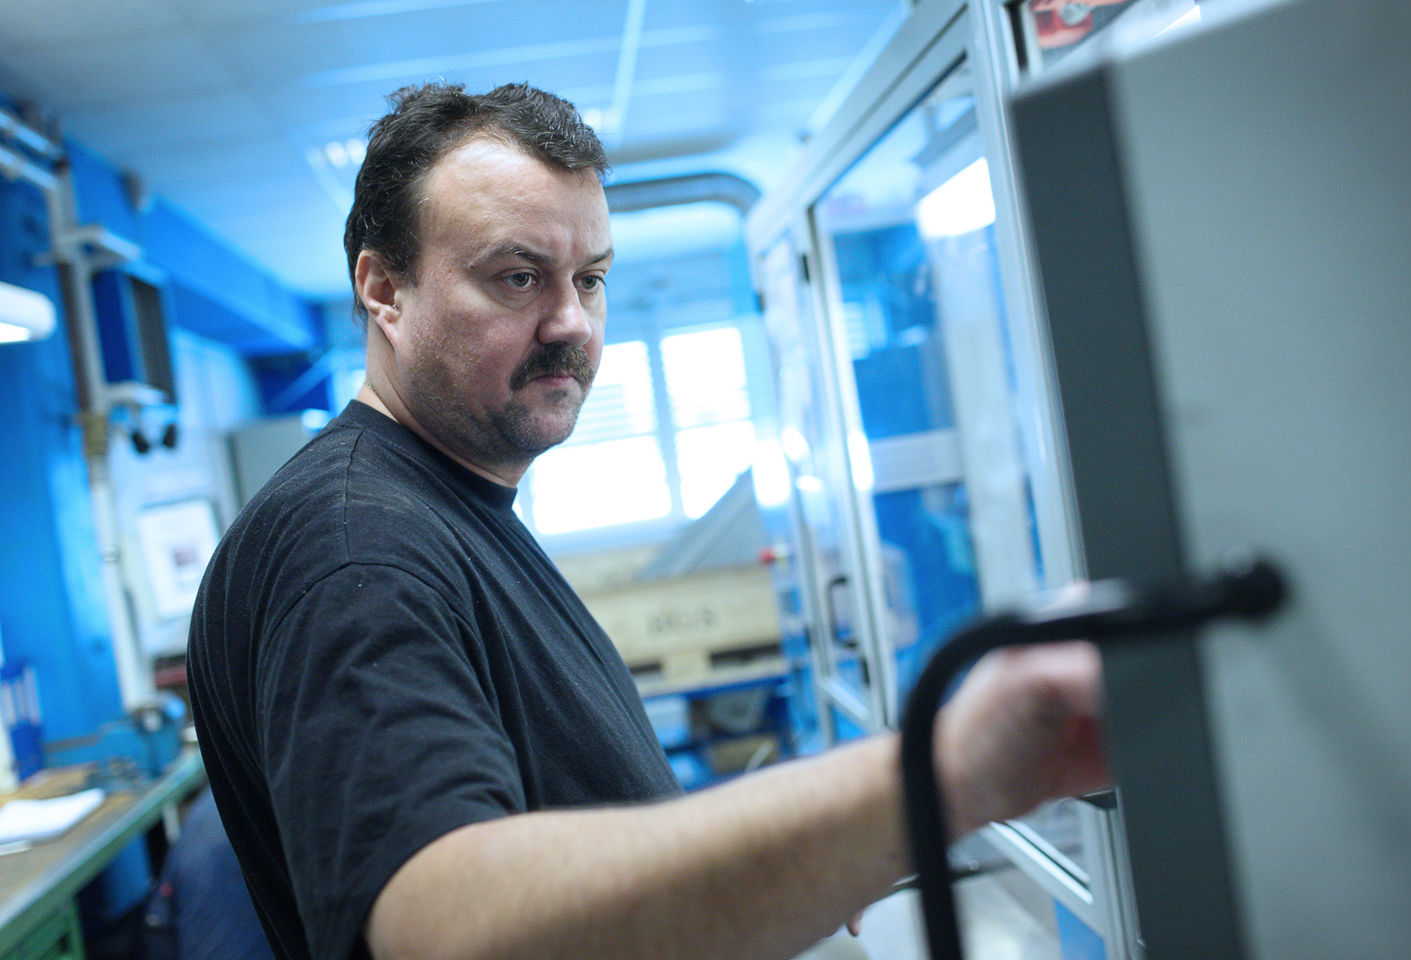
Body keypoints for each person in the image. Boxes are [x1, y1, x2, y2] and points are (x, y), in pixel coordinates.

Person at [187, 82, 1108, 960]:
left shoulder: (442, 504)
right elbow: (448, 932)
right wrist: (953, 769)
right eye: (518, 277)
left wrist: (786, 852)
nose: (572, 323)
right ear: (384, 290)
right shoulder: (355, 544)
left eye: (589, 279)